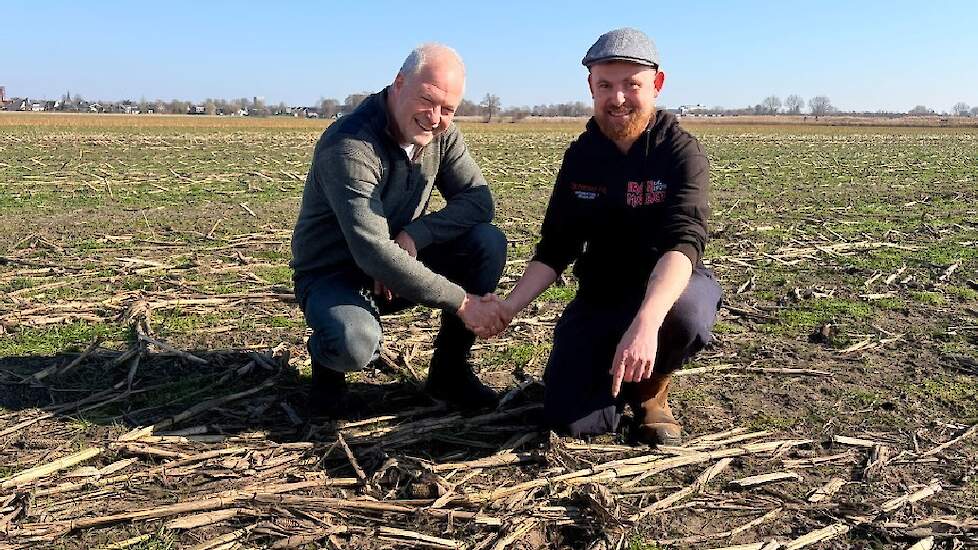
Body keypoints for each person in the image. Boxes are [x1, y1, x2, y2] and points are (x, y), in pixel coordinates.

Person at [491, 28, 722, 444]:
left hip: (666, 294)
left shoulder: (680, 153)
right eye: (605, 85)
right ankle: (615, 374)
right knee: (572, 423)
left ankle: (651, 391)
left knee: (687, 312)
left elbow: (683, 243)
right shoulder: (581, 157)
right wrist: (509, 307)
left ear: (657, 84)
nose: (617, 98)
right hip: (601, 297)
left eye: (631, 85)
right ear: (591, 87)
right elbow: (556, 246)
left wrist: (647, 323)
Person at [290, 44, 507, 414]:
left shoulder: (443, 134)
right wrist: (463, 303)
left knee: (486, 242)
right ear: (399, 82)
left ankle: (448, 372)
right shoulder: (350, 146)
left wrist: (415, 235)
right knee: (353, 341)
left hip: (400, 261)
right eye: (427, 100)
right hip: (335, 274)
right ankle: (327, 367)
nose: (436, 118)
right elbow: (372, 250)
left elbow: (478, 200)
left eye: (448, 110)